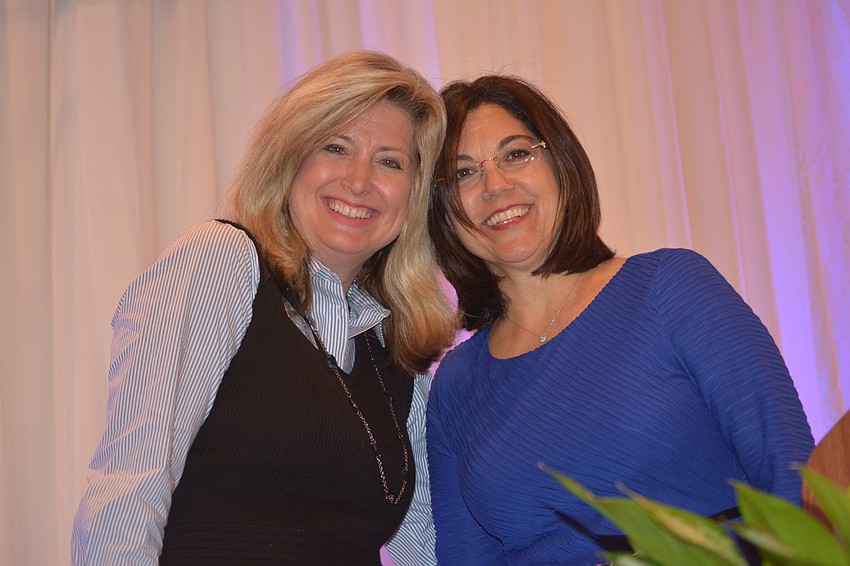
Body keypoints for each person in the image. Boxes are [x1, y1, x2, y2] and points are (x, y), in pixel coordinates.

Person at [71, 51, 456, 565]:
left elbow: (423, 548)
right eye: (335, 147)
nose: (359, 181)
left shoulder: (400, 357)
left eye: (390, 161)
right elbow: (131, 484)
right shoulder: (221, 263)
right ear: (289, 160)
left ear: (414, 194)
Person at [425, 75, 815, 565]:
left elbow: (790, 474)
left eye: (516, 154)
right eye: (463, 173)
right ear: (442, 210)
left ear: (560, 163)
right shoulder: (454, 387)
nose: (495, 185)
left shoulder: (671, 286)